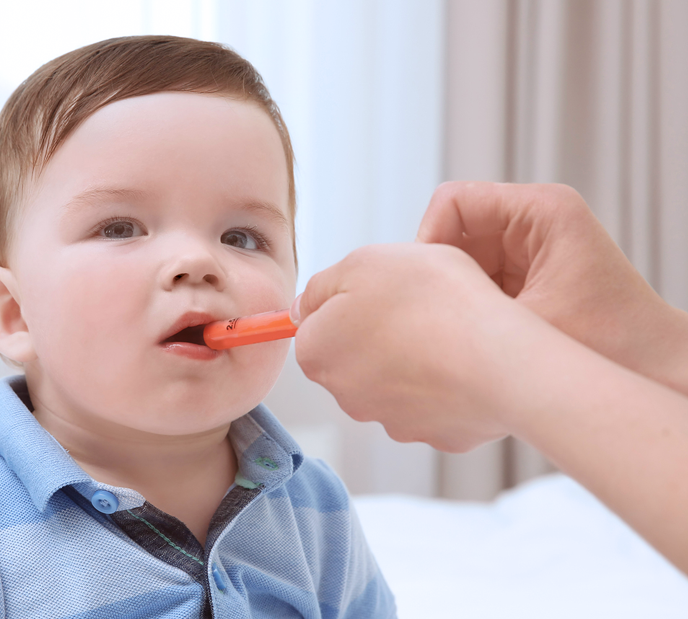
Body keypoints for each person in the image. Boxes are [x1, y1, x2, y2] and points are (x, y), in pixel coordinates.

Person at [0, 36, 395, 618]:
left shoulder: (317, 513)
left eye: (241, 238)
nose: (197, 261)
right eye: (120, 228)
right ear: (14, 314)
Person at [291, 180, 688, 575]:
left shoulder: (323, 520)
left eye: (242, 239)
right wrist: (660, 344)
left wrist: (492, 357)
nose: (223, 267)